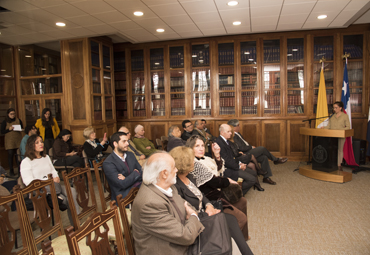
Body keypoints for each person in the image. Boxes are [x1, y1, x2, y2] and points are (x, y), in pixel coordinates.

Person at [170, 146, 254, 255]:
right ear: (185, 163)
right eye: (191, 160)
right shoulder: (175, 185)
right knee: (230, 221)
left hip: (207, 210)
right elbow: (186, 211)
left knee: (231, 221)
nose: (194, 162)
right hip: (197, 219)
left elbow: (201, 195)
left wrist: (209, 205)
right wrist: (207, 212)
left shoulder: (189, 176)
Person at [131, 151, 204, 255]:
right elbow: (187, 236)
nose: (177, 170)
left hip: (179, 240)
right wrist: (193, 215)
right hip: (169, 250)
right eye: (174, 167)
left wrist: (190, 217)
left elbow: (186, 205)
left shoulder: (166, 185)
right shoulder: (149, 204)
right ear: (164, 173)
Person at [186, 135, 251, 240]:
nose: (201, 148)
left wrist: (217, 156)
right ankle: (225, 242)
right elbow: (214, 181)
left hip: (217, 191)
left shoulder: (205, 158)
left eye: (202, 145)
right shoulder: (193, 163)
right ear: (190, 148)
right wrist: (228, 180)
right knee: (241, 219)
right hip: (210, 198)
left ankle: (243, 238)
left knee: (242, 201)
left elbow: (218, 170)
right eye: (197, 146)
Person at [20, 134, 80, 226]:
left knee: (72, 191)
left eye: (41, 141)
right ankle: (75, 223)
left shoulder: (46, 157)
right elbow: (28, 182)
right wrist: (46, 181)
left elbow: (53, 170)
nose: (41, 144)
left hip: (54, 185)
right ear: (31, 146)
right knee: (67, 200)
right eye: (37, 142)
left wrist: (56, 177)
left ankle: (77, 220)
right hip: (40, 191)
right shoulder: (26, 162)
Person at [228, 119, 287, 185]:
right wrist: (251, 147)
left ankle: (266, 178)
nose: (240, 126)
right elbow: (241, 148)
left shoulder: (238, 134)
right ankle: (275, 160)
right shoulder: (233, 136)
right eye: (238, 125)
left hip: (248, 151)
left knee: (264, 157)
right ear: (234, 127)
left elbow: (244, 144)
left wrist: (250, 146)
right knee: (262, 148)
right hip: (244, 154)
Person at [215, 124, 258, 195]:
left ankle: (237, 193)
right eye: (228, 131)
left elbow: (232, 156)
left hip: (233, 165)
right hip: (227, 169)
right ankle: (236, 194)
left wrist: (240, 163)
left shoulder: (226, 141)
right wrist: (239, 166)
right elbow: (226, 161)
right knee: (252, 179)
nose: (231, 133)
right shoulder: (219, 143)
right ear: (222, 132)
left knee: (254, 173)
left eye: (230, 131)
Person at [103, 132, 142, 201]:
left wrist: (127, 178)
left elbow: (142, 172)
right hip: (123, 197)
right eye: (124, 141)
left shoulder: (130, 155)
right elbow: (122, 184)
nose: (127, 144)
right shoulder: (108, 163)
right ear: (115, 144)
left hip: (137, 189)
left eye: (128, 141)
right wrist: (135, 173)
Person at [322, 101, 351, 170]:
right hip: (332, 136)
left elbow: (348, 127)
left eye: (336, 108)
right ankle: (331, 163)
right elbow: (329, 126)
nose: (334, 109)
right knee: (332, 149)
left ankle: (339, 164)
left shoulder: (345, 116)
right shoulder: (332, 116)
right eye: (334, 108)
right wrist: (323, 128)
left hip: (341, 135)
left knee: (340, 150)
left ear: (340, 108)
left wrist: (339, 130)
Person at [1, 108, 23, 177]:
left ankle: (20, 171)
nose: (13, 115)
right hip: (10, 141)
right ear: (8, 114)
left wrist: (21, 129)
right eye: (11, 114)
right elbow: (2, 131)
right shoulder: (5, 121)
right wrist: (9, 129)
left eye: (14, 114)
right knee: (10, 155)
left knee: (18, 156)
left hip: (18, 140)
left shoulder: (18, 120)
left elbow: (22, 127)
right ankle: (11, 171)